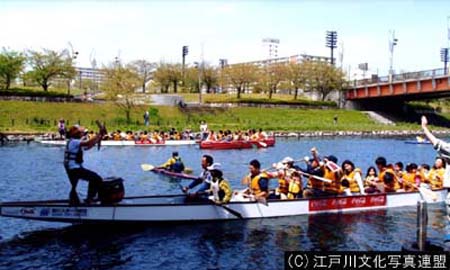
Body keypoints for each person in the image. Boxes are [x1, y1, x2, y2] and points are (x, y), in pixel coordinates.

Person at [64, 125, 105, 205]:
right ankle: (90, 199)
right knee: (96, 178)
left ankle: (74, 201)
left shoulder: (75, 142)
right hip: (74, 169)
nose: (82, 134)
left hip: (74, 168)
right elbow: (87, 143)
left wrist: (98, 138)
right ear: (76, 134)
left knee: (75, 186)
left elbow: (88, 146)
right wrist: (98, 134)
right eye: (81, 133)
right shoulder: (74, 142)